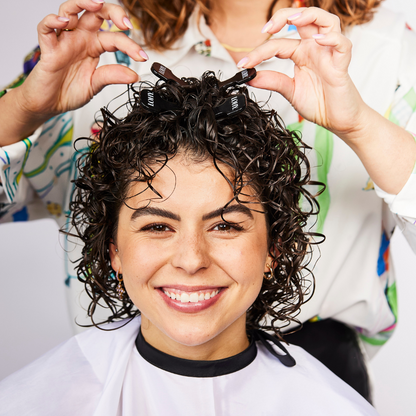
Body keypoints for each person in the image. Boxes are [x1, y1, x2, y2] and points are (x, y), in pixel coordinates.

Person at [0, 0, 415, 401]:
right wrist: (25, 107)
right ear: (113, 250)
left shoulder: (390, 48)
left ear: (278, 248)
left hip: (314, 374)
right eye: (159, 225)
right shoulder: (97, 45)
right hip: (126, 379)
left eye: (225, 224)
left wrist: (359, 124)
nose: (191, 259)